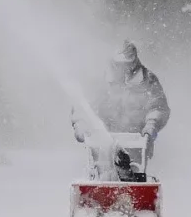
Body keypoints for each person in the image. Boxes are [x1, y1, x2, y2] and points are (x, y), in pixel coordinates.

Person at [70, 40, 170, 180]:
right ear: (113, 63)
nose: (126, 69)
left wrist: (151, 127)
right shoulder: (100, 80)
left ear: (135, 61)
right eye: (121, 65)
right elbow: (84, 107)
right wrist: (81, 126)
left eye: (129, 65)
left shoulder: (147, 80)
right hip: (103, 142)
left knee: (134, 177)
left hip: (137, 142)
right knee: (104, 178)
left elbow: (157, 106)